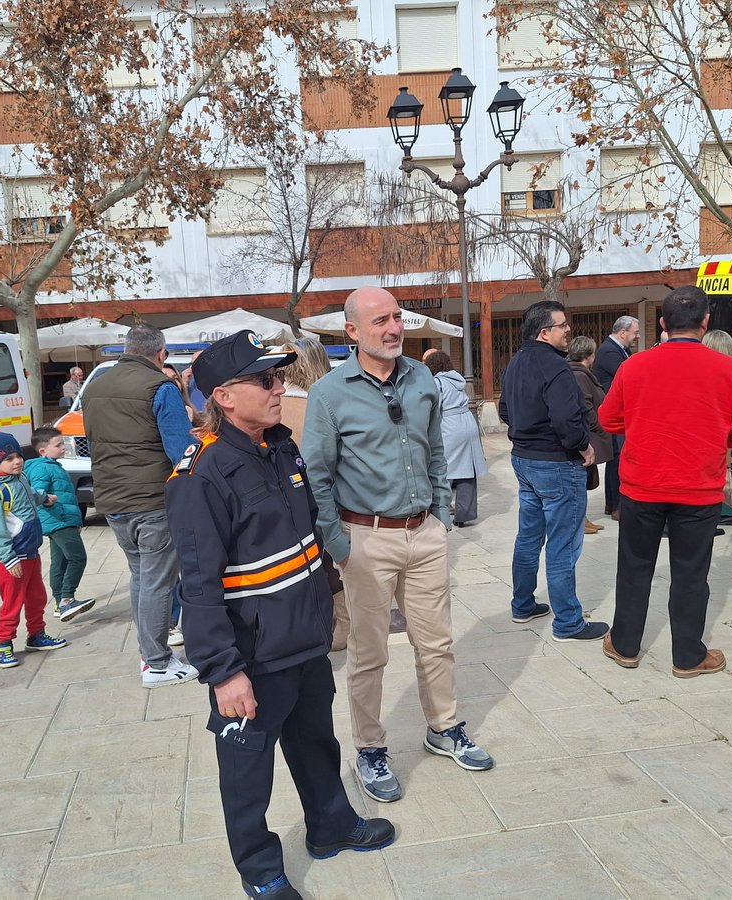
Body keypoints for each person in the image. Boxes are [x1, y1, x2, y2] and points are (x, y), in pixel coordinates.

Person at [165, 331, 394, 899]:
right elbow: (197, 582)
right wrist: (222, 670)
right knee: (247, 772)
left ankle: (332, 825)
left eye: (279, 377)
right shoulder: (202, 475)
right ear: (223, 396)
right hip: (251, 654)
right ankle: (261, 871)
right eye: (265, 380)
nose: (279, 388)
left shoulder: (281, 447)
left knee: (317, 742)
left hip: (304, 638)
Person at [303, 286, 494, 806]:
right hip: (364, 539)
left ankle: (444, 727)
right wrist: (339, 543)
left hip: (424, 533)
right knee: (369, 653)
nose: (393, 328)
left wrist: (440, 514)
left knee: (436, 642)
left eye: (397, 318)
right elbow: (316, 476)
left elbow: (435, 450)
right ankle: (369, 747)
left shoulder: (423, 379)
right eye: (380, 321)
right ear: (352, 332)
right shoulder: (329, 393)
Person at [598, 287, 732, 676]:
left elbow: (608, 419)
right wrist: (720, 436)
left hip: (642, 484)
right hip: (698, 487)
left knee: (634, 566)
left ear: (662, 324)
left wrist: (641, 427)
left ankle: (625, 645)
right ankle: (687, 656)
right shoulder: (728, 369)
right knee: (691, 572)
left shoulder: (634, 366)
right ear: (706, 323)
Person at [82, 322, 199, 688]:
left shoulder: (95, 386)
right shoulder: (160, 387)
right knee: (157, 582)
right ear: (160, 353)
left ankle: (149, 654)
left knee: (141, 577)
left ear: (127, 348)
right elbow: (181, 452)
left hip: (112, 498)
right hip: (152, 499)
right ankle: (158, 661)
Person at [500, 300, 608, 642]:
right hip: (556, 464)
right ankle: (568, 622)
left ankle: (522, 603)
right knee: (562, 545)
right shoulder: (556, 368)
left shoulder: (516, 362)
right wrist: (583, 445)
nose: (568, 331)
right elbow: (568, 420)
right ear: (544, 332)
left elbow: (505, 409)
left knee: (529, 536)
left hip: (526, 461)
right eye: (562, 325)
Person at [278, 336, 351, 653]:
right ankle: (344, 624)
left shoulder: (275, 408)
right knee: (331, 565)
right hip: (333, 503)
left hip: (286, 505)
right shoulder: (332, 406)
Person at [0, 428, 67, 668]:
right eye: (8, 459)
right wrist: (8, 559)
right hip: (13, 560)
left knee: (37, 597)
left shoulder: (19, 478)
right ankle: (3, 643)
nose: (16, 461)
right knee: (12, 603)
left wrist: (44, 497)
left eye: (18, 456)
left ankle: (36, 635)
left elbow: (29, 495)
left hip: (30, 553)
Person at [24, 427, 95, 623]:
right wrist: (46, 499)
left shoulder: (53, 465)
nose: (63, 448)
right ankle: (66, 599)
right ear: (43, 451)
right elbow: (36, 492)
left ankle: (58, 604)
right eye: (58, 445)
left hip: (63, 520)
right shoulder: (42, 468)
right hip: (58, 520)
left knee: (60, 561)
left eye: (63, 443)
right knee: (78, 558)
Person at [424, 350, 488, 527]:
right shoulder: (458, 379)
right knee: (467, 470)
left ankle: (439, 508)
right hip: (468, 422)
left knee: (443, 468)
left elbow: (434, 407)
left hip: (450, 425)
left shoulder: (437, 382)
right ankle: (464, 515)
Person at [593, 315, 640, 521]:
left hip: (623, 413)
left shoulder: (622, 350)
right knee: (617, 459)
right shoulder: (609, 351)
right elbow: (630, 377)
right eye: (635, 333)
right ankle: (616, 506)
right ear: (623, 332)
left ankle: (614, 504)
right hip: (614, 414)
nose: (636, 337)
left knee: (618, 459)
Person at [566, 336, 613, 535]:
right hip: (588, 435)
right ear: (588, 355)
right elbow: (585, 405)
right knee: (581, 479)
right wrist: (598, 426)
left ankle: (582, 518)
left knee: (586, 479)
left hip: (590, 433)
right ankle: (579, 520)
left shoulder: (583, 373)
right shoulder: (579, 375)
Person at [702, 330, 732, 527]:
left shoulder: (700, 374)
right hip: (730, 433)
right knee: (729, 471)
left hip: (706, 434)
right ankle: (730, 509)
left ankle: (715, 512)